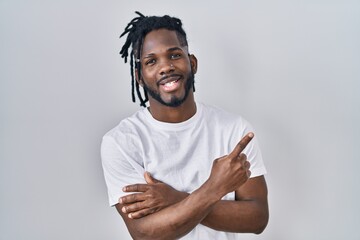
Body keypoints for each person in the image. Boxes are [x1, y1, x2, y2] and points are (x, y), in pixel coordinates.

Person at [101, 11, 269, 239]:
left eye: (174, 55)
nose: (165, 67)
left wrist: (174, 198)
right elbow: (144, 234)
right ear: (139, 76)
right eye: (151, 61)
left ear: (192, 63)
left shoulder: (234, 130)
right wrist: (214, 187)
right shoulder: (121, 141)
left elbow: (257, 218)